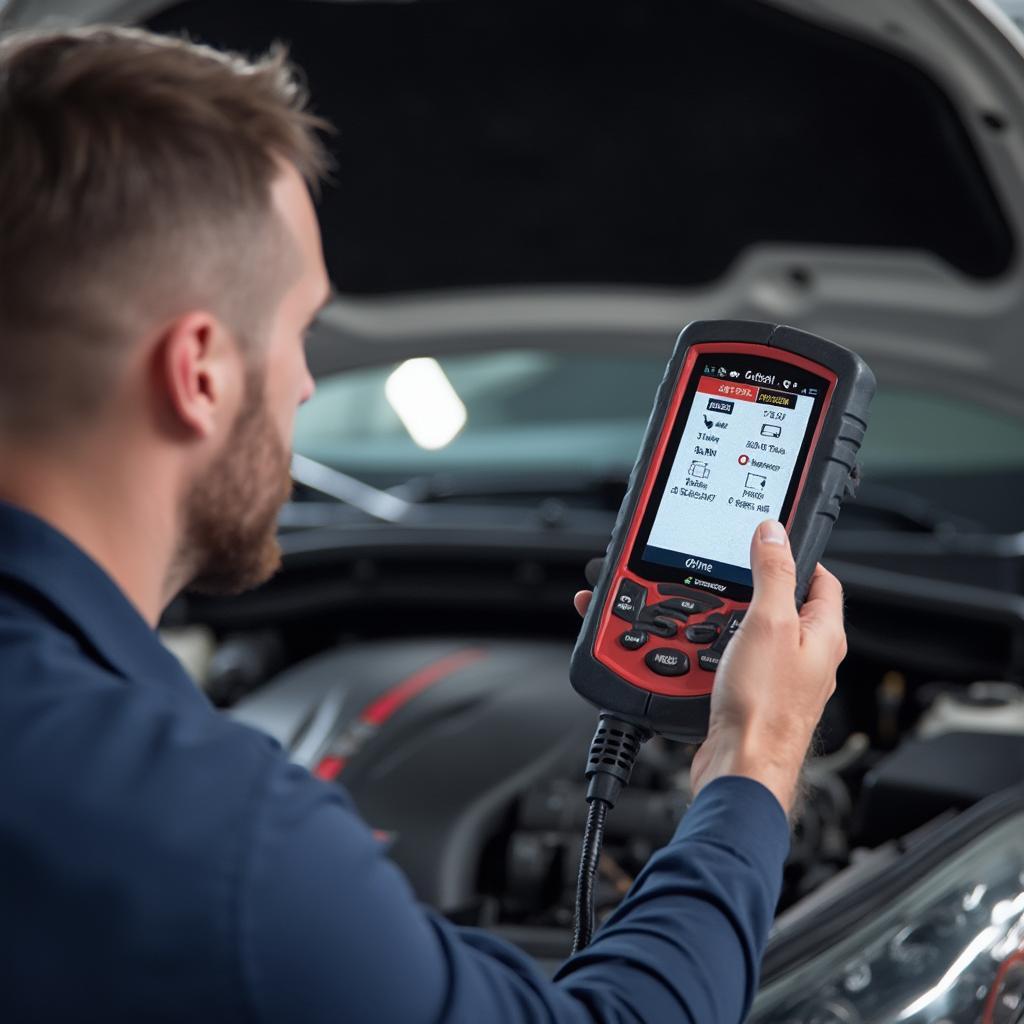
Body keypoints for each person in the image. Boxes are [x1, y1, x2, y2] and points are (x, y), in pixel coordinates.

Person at [0, 24, 847, 1024]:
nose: (311, 382)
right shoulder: (212, 848)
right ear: (199, 372)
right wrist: (755, 761)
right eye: (301, 329)